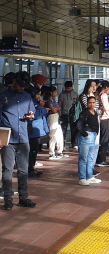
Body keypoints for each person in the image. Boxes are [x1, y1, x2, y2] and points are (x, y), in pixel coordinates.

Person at [0, 71, 37, 210]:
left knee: (23, 170)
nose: (22, 88)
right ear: (14, 81)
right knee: (7, 169)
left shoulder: (27, 97)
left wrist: (31, 115)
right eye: (20, 85)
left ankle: (23, 198)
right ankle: (8, 199)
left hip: (23, 138)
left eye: (24, 86)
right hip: (8, 139)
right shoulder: (3, 96)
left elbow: (32, 112)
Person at [76, 97, 101, 186]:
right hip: (86, 137)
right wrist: (84, 133)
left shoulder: (95, 113)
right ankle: (82, 178)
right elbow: (79, 123)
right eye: (90, 102)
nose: (92, 104)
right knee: (84, 158)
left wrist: (96, 133)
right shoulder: (84, 113)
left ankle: (89, 176)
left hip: (93, 136)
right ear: (87, 103)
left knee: (90, 158)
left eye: (93, 102)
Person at [28, 87, 48, 177]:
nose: (39, 96)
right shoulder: (32, 103)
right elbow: (36, 114)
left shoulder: (36, 103)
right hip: (33, 130)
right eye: (38, 94)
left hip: (36, 129)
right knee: (32, 151)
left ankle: (32, 168)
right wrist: (43, 109)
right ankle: (30, 169)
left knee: (34, 151)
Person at [44, 86, 68, 160]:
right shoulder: (48, 101)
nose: (56, 93)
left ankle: (59, 151)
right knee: (53, 136)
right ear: (51, 93)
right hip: (51, 117)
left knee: (59, 135)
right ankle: (51, 153)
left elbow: (58, 108)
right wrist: (55, 109)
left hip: (56, 117)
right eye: (55, 92)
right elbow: (54, 110)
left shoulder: (53, 100)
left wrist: (55, 109)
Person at [96, 81, 109, 167]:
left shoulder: (97, 94)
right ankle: (101, 160)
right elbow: (106, 107)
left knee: (100, 139)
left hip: (99, 118)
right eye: (108, 88)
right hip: (104, 118)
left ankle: (98, 158)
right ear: (106, 87)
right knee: (104, 140)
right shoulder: (104, 95)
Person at [58, 81, 79, 149]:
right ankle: (62, 143)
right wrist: (60, 115)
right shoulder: (61, 95)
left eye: (69, 88)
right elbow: (60, 105)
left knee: (74, 129)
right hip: (64, 114)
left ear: (72, 87)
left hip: (73, 115)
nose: (68, 90)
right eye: (67, 88)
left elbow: (78, 104)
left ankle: (74, 143)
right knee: (63, 129)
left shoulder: (75, 94)